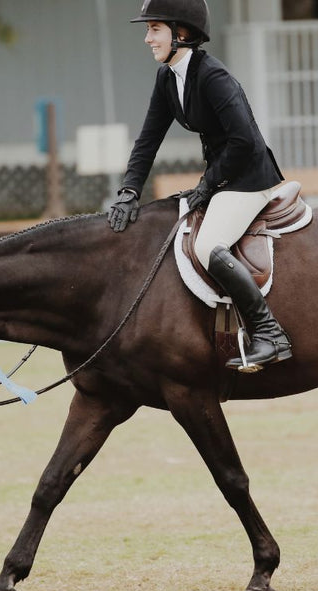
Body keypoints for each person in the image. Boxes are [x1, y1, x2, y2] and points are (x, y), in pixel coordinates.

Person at [106, 0, 292, 372]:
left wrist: (207, 185)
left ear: (182, 33)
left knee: (207, 246)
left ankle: (269, 333)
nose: (147, 39)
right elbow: (148, 140)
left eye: (154, 29)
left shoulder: (213, 77)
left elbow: (244, 142)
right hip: (223, 180)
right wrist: (129, 191)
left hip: (250, 180)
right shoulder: (167, 78)